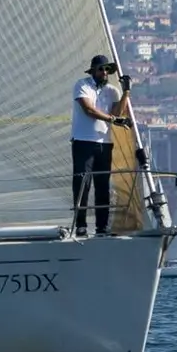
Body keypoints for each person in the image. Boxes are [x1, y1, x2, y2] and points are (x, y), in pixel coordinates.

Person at [71, 53, 131, 237]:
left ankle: (102, 227)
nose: (104, 72)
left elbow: (118, 113)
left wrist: (126, 92)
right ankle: (81, 225)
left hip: (105, 143)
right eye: (101, 69)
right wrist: (113, 119)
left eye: (107, 69)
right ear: (93, 71)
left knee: (103, 185)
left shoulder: (113, 91)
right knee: (82, 183)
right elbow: (89, 109)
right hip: (83, 142)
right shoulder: (82, 85)